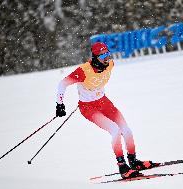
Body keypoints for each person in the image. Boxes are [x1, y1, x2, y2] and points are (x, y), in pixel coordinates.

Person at [55, 42, 155, 179]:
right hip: (89, 108)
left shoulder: (111, 65)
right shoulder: (83, 71)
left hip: (104, 103)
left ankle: (133, 161)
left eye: (108, 54)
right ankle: (123, 168)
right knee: (115, 130)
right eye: (103, 55)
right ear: (95, 57)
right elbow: (63, 83)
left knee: (126, 130)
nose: (107, 58)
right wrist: (59, 104)